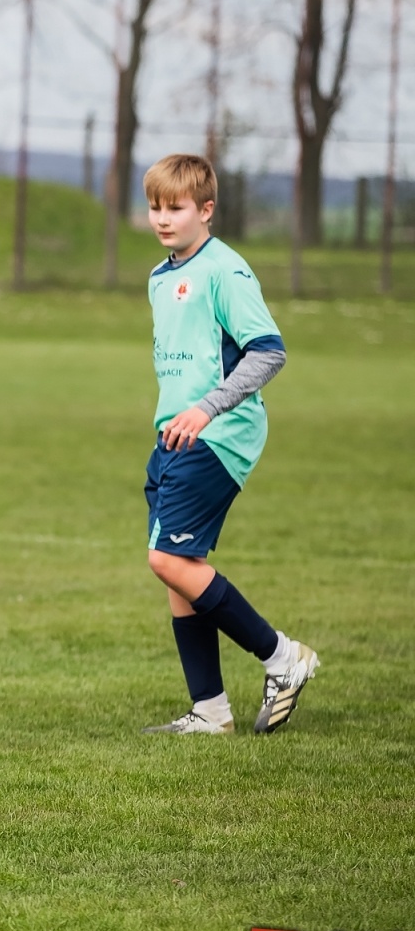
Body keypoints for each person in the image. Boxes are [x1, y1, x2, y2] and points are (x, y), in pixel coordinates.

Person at [137, 153, 319, 736]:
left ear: (206, 209)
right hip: (175, 432)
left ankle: (283, 658)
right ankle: (210, 711)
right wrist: (178, 416)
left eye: (176, 207)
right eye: (155, 207)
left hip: (219, 433)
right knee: (178, 566)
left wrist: (206, 408)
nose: (163, 219)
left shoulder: (226, 271)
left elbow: (269, 352)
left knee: (166, 558)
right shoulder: (160, 277)